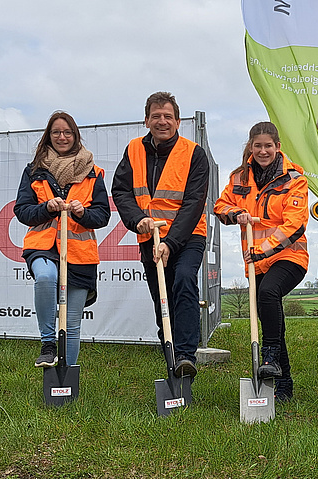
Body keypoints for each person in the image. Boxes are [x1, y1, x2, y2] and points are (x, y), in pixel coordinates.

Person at [112, 91, 209, 378]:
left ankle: (186, 354)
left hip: (188, 235)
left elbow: (194, 202)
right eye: (156, 116)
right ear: (146, 121)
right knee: (161, 297)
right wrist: (137, 219)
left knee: (183, 281)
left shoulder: (194, 153)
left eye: (168, 116)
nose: (162, 121)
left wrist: (171, 242)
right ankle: (169, 346)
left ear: (178, 121)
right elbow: (121, 191)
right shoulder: (133, 150)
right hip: (149, 238)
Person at [214, 121, 309, 402]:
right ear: (251, 147)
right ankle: (284, 382)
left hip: (289, 256)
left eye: (268, 146)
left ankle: (269, 356)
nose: (263, 151)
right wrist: (236, 213)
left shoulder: (294, 180)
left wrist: (264, 249)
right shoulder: (240, 178)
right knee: (270, 317)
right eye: (258, 146)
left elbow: (295, 224)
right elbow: (220, 206)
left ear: (278, 147)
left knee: (268, 294)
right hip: (256, 261)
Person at [14, 111, 110, 368]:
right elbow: (22, 211)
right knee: (45, 278)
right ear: (48, 136)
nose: (62, 137)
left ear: (75, 135)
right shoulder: (34, 171)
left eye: (67, 132)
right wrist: (46, 208)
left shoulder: (94, 172)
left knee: (72, 321)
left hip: (79, 254)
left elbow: (102, 216)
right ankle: (47, 343)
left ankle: (65, 378)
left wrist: (83, 213)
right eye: (56, 132)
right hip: (42, 246)